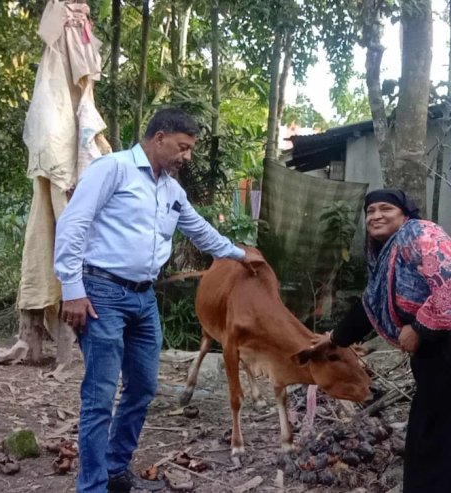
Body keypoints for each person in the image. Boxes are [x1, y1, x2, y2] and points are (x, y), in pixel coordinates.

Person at [53, 107, 263, 493]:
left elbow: (198, 229)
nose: (187, 157)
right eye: (183, 148)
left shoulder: (170, 189)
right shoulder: (111, 169)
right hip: (100, 292)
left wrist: (237, 253)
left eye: (190, 150)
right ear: (159, 137)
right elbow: (74, 222)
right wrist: (72, 289)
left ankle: (116, 470)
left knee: (144, 387)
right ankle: (92, 486)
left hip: (143, 297)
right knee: (100, 395)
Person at [312, 189, 451, 493]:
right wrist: (334, 339)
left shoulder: (422, 234)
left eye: (385, 208)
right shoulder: (387, 257)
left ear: (404, 214)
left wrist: (420, 328)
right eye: (370, 211)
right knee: (438, 442)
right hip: (444, 362)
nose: (376, 215)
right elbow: (368, 306)